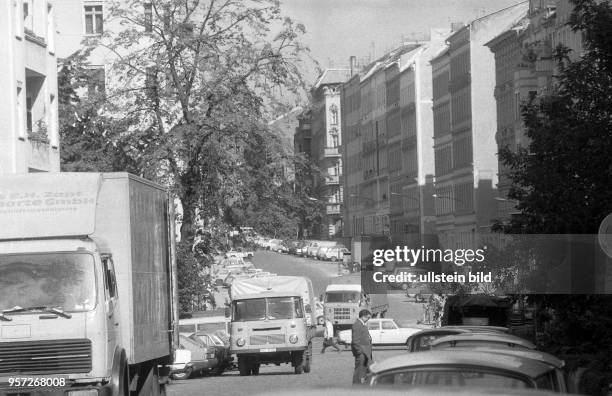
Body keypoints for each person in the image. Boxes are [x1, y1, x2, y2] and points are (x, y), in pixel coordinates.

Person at [351, 309, 373, 385]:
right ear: (363, 316)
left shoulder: (362, 324)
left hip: (366, 353)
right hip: (362, 353)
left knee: (366, 371)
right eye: (368, 318)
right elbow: (355, 341)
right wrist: (360, 352)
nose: (368, 319)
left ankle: (363, 386)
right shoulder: (357, 324)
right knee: (359, 372)